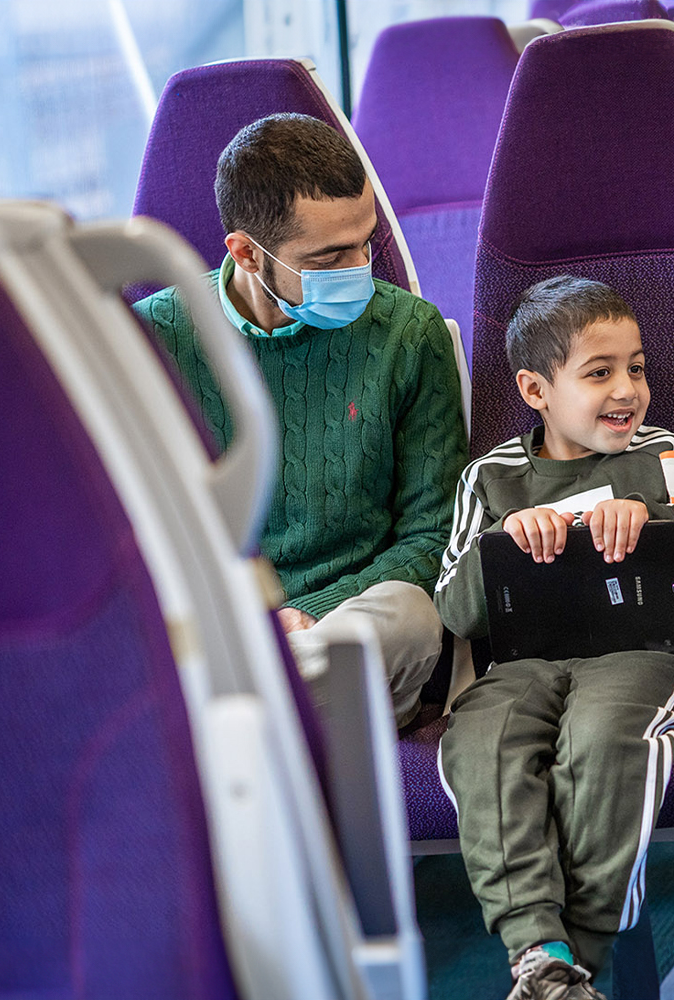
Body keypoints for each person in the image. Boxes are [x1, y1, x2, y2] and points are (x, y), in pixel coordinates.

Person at [435, 275, 674, 1000]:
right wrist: (504, 541)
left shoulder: (664, 453)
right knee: (482, 741)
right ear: (536, 390)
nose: (627, 390)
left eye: (636, 368)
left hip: (645, 650)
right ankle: (537, 946)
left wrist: (652, 519)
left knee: (603, 737)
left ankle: (567, 962)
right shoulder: (490, 477)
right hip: (523, 664)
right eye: (599, 372)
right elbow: (457, 610)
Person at [135, 113, 468, 727]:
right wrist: (248, 621)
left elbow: (435, 536)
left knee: (410, 616)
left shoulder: (410, 334)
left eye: (366, 242)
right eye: (331, 255)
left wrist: (312, 613)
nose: (361, 266)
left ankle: (226, 724)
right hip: (223, 625)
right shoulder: (155, 338)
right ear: (246, 253)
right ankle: (267, 716)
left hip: (352, 620)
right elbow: (142, 532)